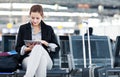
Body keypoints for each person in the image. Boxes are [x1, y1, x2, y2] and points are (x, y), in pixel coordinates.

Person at [15, 5, 60, 77]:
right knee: (41, 60)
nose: (35, 20)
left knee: (38, 47)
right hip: (28, 59)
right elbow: (17, 48)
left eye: (37, 18)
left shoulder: (48, 29)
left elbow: (57, 48)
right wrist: (28, 49)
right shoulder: (23, 28)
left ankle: (28, 75)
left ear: (42, 17)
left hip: (47, 59)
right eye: (32, 18)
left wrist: (46, 43)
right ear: (29, 15)